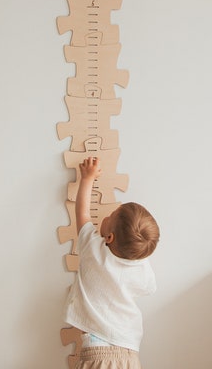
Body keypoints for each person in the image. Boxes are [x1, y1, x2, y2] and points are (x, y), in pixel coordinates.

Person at [64, 156, 160, 369]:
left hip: (97, 354)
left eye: (111, 215)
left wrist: (87, 178)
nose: (107, 215)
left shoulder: (92, 249)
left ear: (109, 238)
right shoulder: (142, 269)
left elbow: (82, 213)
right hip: (129, 354)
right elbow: (149, 288)